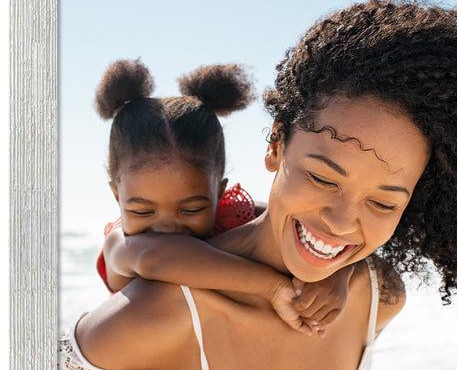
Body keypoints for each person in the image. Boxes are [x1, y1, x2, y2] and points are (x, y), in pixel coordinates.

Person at [58, 0, 457, 370]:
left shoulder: (379, 297)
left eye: (383, 202)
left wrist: (342, 272)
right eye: (321, 177)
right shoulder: (163, 311)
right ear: (276, 144)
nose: (339, 221)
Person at [93, 59, 353, 334]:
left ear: (219, 191)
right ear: (116, 194)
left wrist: (338, 273)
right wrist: (273, 287)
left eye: (191, 210)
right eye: (143, 211)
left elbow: (311, 225)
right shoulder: (120, 244)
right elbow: (156, 257)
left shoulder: (231, 212)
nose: (167, 227)